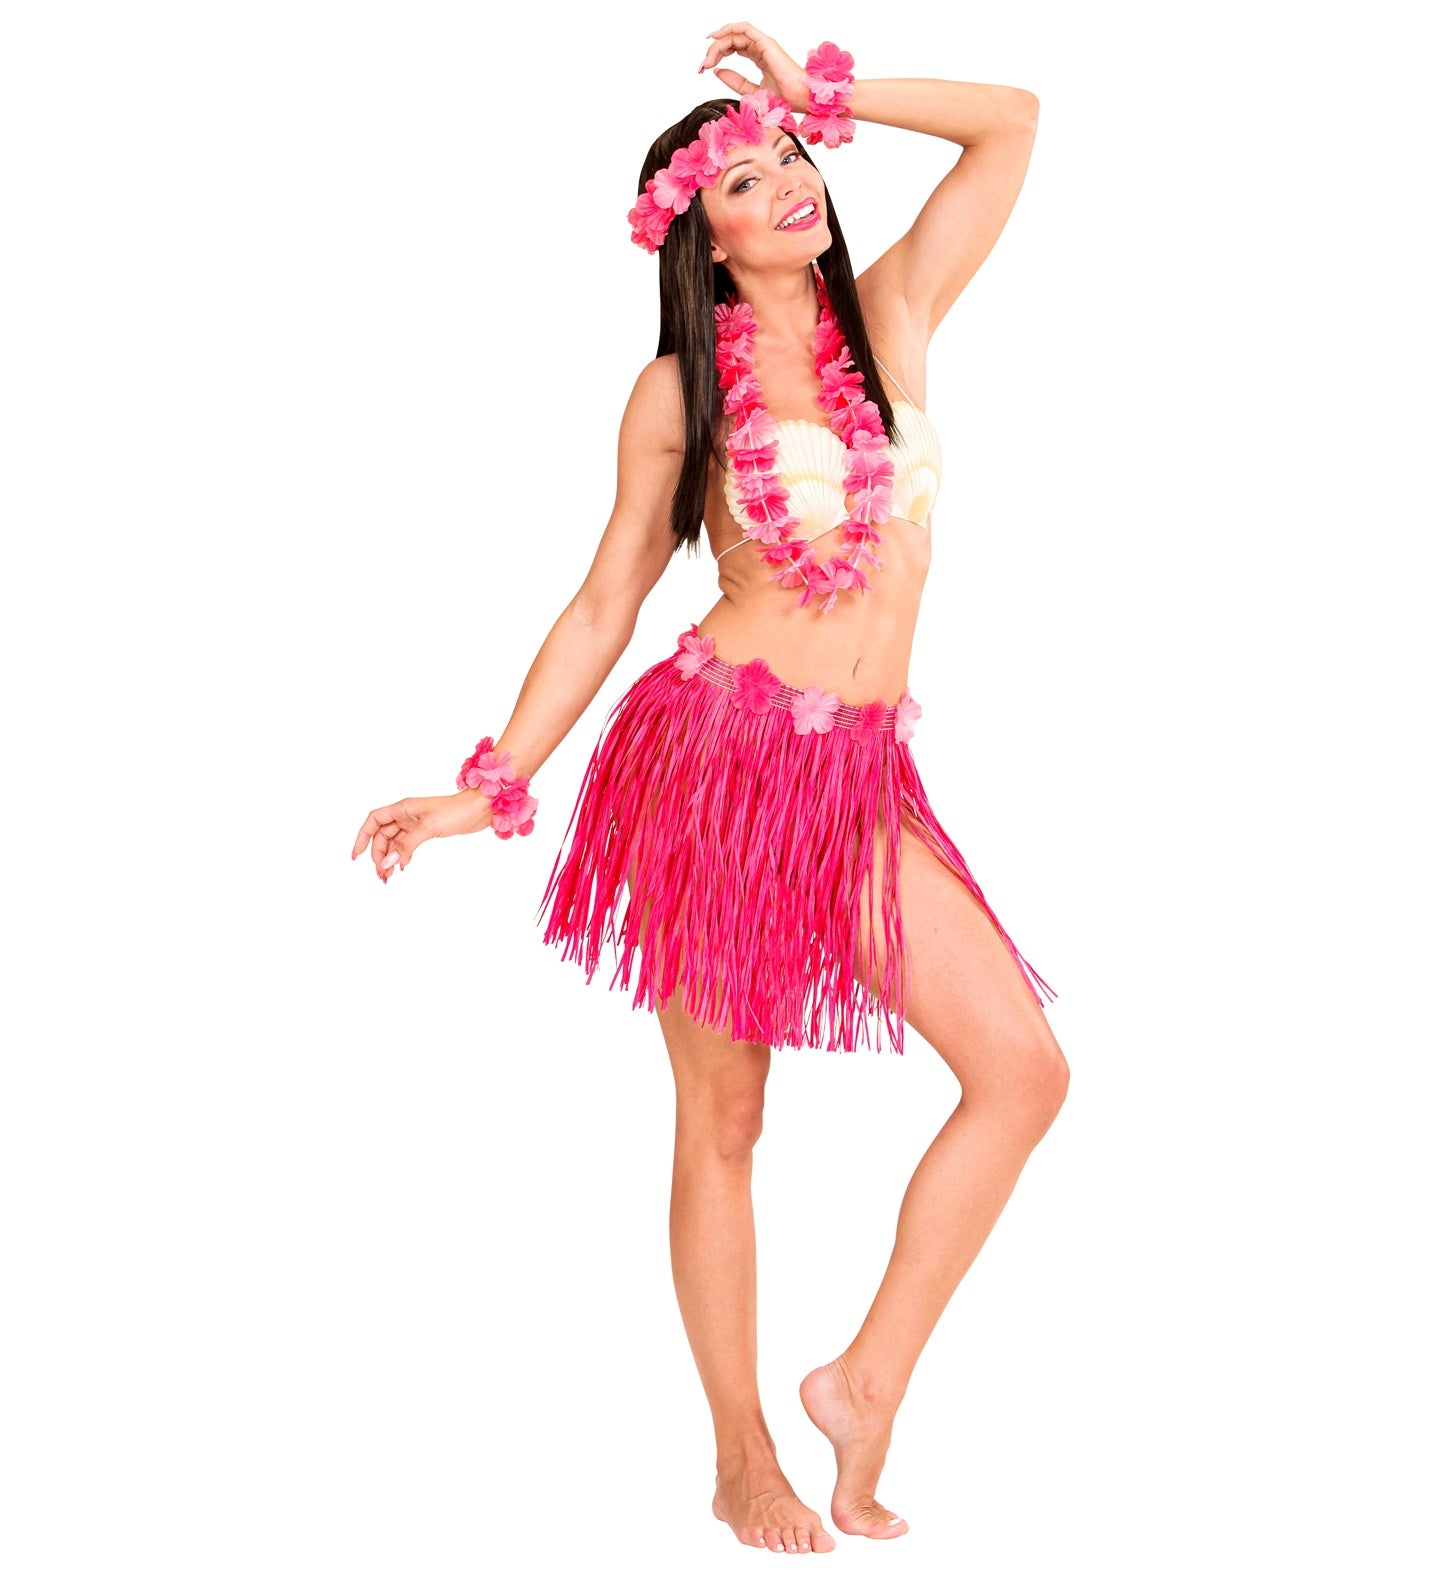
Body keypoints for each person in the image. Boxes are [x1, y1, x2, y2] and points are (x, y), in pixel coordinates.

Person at [352, 23, 1069, 1555]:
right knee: (726, 1116)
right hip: (710, 765)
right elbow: (608, 595)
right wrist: (494, 781)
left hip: (858, 774)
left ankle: (861, 1385)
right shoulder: (679, 390)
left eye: (791, 156)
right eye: (744, 179)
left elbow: (1010, 121)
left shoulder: (893, 316)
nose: (787, 180)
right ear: (700, 234)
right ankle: (741, 1455)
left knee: (1021, 1072)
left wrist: (821, 89)